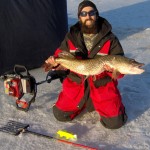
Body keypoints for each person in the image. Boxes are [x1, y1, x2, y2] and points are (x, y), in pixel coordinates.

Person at [43, 0, 127, 129]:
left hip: (102, 87)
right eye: (83, 13)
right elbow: (60, 55)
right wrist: (54, 63)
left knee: (115, 123)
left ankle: (103, 104)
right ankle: (83, 102)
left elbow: (120, 70)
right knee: (60, 114)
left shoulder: (110, 39)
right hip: (77, 86)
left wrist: (113, 70)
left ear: (96, 15)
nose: (88, 16)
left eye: (91, 12)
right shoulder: (71, 36)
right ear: (79, 17)